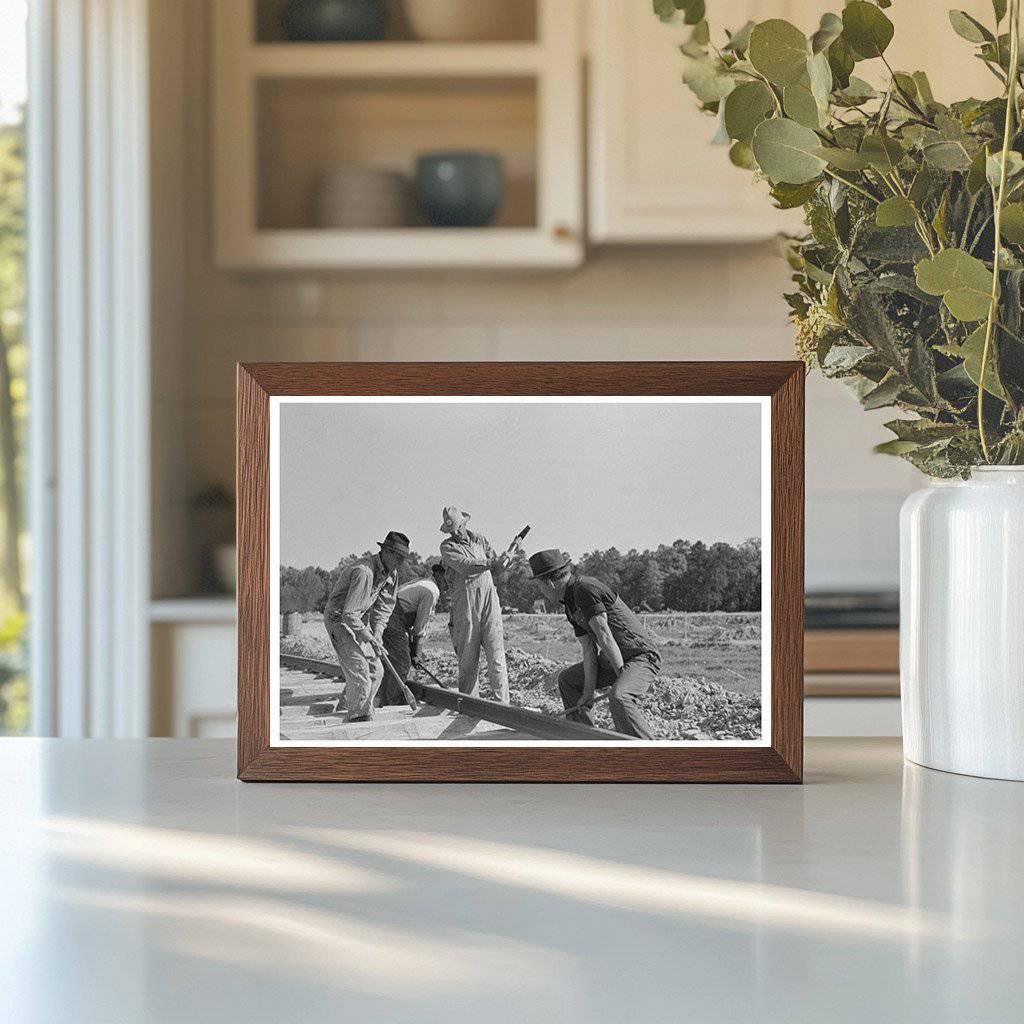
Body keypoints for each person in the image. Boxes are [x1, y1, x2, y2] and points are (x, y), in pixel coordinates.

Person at [528, 549, 661, 740]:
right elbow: (589, 648)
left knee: (619, 697)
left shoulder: (584, 588)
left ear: (549, 583)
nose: (541, 592)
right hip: (613, 658)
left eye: (540, 586)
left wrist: (620, 679)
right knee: (569, 680)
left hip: (641, 656)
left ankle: (648, 756)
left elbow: (605, 637)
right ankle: (584, 742)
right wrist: (587, 692)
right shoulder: (569, 603)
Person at [323, 531, 410, 722]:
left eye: (403, 558)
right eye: (397, 557)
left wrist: (377, 633)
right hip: (338, 620)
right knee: (360, 668)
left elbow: (384, 608)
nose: (400, 562)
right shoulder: (365, 572)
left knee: (376, 671)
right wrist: (368, 636)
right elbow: (349, 613)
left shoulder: (391, 575)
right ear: (385, 551)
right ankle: (358, 717)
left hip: (358, 621)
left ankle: (350, 708)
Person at [439, 506, 523, 702]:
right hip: (465, 604)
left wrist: (509, 556)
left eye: (458, 527)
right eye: (451, 530)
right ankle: (469, 705)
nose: (455, 532)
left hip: (489, 600)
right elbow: (466, 566)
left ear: (464, 523)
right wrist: (492, 562)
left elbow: (498, 569)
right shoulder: (447, 547)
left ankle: (502, 703)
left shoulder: (480, 539)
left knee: (496, 655)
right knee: (468, 659)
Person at [379, 569, 441, 704]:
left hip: (388, 612)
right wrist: (417, 653)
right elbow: (421, 625)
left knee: (391, 660)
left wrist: (412, 649)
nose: (450, 583)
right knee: (401, 661)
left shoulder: (424, 583)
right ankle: (393, 700)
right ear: (439, 576)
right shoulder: (432, 591)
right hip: (393, 616)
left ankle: (385, 698)